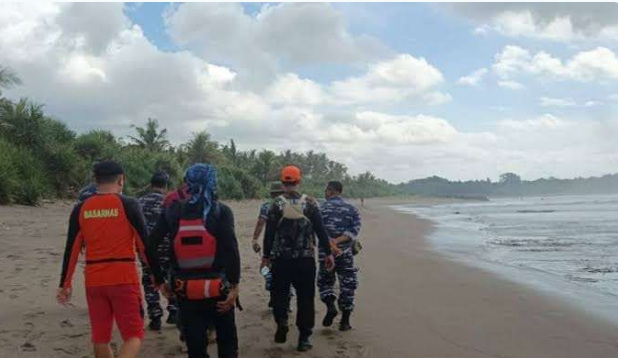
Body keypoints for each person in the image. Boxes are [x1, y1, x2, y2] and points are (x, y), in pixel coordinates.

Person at [57, 160, 150, 358]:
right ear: (121, 179)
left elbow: (71, 249)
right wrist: (158, 278)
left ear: (95, 181)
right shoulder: (129, 204)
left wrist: (65, 284)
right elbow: (144, 246)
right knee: (133, 336)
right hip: (123, 279)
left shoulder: (81, 208)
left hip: (94, 281)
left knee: (100, 338)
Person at [147, 164, 240, 358]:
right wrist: (234, 286)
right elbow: (231, 250)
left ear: (187, 183)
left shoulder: (173, 211)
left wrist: (160, 279)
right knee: (227, 340)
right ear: (213, 182)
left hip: (185, 289)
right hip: (218, 288)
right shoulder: (221, 211)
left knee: (196, 345)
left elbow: (150, 246)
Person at [263, 165, 335, 352]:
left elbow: (269, 233)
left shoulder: (276, 204)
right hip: (305, 260)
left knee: (279, 293)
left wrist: (266, 256)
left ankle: (282, 322)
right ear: (299, 181)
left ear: (283, 182)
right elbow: (321, 231)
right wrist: (328, 253)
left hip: (281, 259)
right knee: (305, 298)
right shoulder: (310, 203)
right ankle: (304, 337)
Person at [318, 181, 362, 331]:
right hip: (345, 253)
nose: (325, 193)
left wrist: (329, 242)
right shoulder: (351, 209)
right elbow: (354, 231)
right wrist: (338, 241)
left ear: (330, 191)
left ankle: (330, 306)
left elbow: (314, 229)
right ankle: (345, 321)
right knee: (347, 284)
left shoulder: (320, 208)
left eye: (326, 190)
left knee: (325, 282)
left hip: (325, 252)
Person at [138, 171, 176, 331]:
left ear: (151, 184)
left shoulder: (138, 202)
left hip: (146, 250)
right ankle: (174, 311)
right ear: (166, 186)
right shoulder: (170, 202)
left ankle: (155, 316)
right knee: (171, 278)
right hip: (169, 248)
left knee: (148, 280)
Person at [251, 182, 284, 308]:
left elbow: (261, 223)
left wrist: (254, 239)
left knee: (265, 269)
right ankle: (286, 299)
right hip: (290, 248)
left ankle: (272, 293)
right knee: (286, 273)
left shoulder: (267, 206)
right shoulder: (293, 205)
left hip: (271, 246)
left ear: (271, 194)